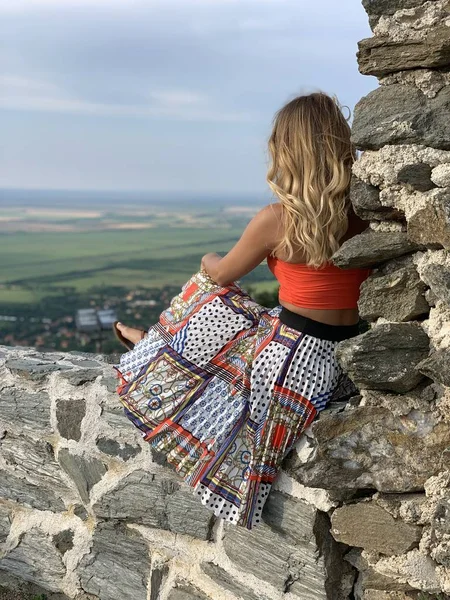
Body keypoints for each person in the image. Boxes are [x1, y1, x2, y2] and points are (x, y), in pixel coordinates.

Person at [113, 92, 372, 530]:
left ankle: (156, 348)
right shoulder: (369, 214)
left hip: (290, 360)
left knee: (216, 299)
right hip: (348, 350)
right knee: (252, 323)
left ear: (286, 151)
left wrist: (206, 257)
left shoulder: (276, 219)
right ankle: (157, 343)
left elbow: (222, 274)